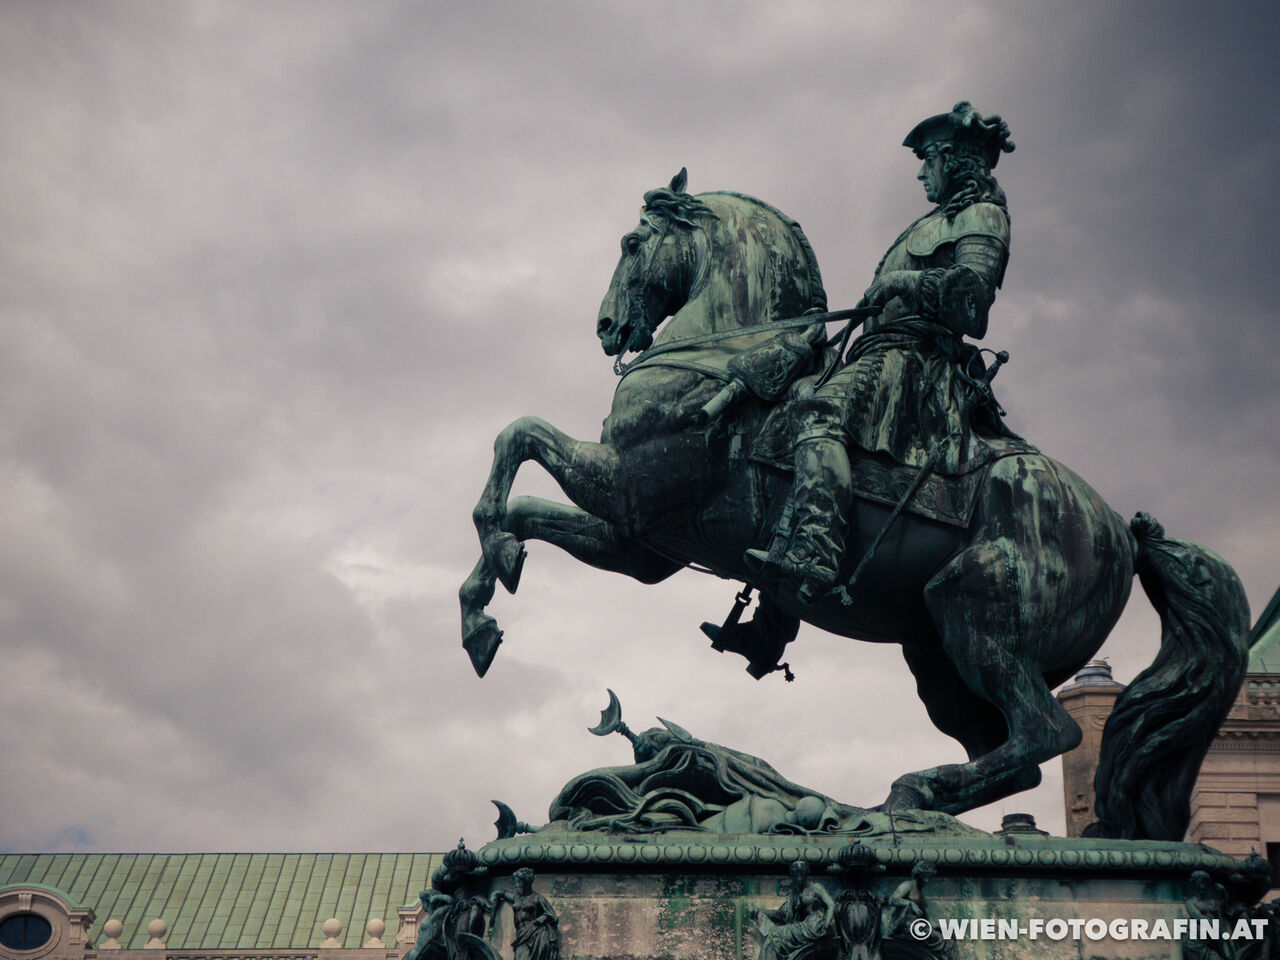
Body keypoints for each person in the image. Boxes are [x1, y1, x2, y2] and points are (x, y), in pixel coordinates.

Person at [747, 101, 1015, 603]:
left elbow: (973, 301)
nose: (920, 172)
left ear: (954, 161)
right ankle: (770, 622)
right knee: (779, 421)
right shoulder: (925, 223)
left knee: (819, 415)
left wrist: (900, 281)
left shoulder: (984, 216)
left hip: (914, 362)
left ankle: (817, 550)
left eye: (928, 159)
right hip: (877, 352)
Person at [752, 861, 837, 960]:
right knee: (773, 935)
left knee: (775, 934)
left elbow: (831, 904)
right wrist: (761, 911)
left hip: (815, 925)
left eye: (801, 872)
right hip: (806, 925)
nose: (799, 876)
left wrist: (826, 923)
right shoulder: (796, 894)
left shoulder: (815, 887)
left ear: (806, 872)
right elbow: (781, 914)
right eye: (796, 873)